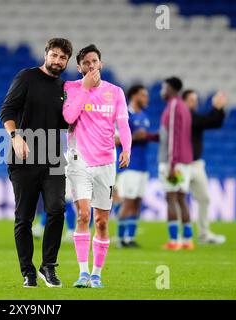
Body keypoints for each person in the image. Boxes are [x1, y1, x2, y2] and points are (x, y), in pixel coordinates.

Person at [0, 38, 73, 288]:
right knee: (24, 218)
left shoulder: (64, 88)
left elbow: (66, 122)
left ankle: (48, 266)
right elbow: (7, 111)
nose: (57, 61)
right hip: (23, 159)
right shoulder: (26, 77)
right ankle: (28, 272)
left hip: (53, 159)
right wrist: (16, 137)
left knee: (56, 209)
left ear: (67, 61)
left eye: (62, 58)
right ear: (46, 55)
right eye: (54, 55)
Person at [63, 44, 132, 288]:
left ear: (100, 63)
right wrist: (85, 88)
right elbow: (69, 118)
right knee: (83, 215)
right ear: (79, 67)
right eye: (86, 63)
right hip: (78, 160)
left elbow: (123, 124)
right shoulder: (71, 88)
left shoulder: (116, 92)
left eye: (94, 61)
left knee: (102, 221)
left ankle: (96, 275)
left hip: (106, 162)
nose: (91, 66)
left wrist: (126, 148)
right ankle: (82, 273)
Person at [183, 89, 227, 244]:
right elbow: (209, 121)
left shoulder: (194, 117)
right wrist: (216, 108)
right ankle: (180, 235)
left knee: (204, 199)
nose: (195, 102)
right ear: (183, 101)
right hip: (181, 166)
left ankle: (204, 234)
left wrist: (219, 109)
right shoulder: (184, 117)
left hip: (197, 165)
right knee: (178, 199)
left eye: (196, 99)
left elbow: (213, 123)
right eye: (191, 99)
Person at [116, 84, 157, 248]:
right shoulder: (124, 114)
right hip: (129, 167)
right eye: (143, 95)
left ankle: (130, 238)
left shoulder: (144, 116)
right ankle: (120, 239)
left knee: (137, 202)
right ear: (134, 96)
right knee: (128, 201)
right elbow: (115, 139)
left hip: (142, 166)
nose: (146, 99)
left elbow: (144, 137)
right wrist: (134, 136)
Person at [158, 77, 194, 251]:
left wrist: (172, 164)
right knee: (181, 198)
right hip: (185, 160)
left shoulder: (173, 106)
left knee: (171, 197)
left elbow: (173, 137)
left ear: (170, 88)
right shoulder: (184, 107)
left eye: (164, 88)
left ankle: (174, 240)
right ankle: (188, 240)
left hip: (172, 161)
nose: (162, 91)